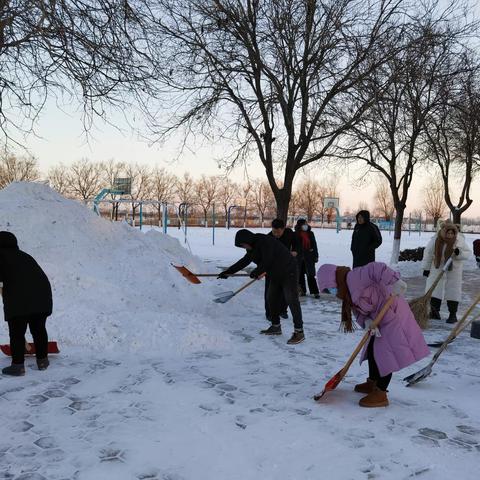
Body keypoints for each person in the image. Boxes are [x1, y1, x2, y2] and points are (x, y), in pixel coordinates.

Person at [317, 262, 429, 408]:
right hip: (378, 319)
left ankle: (381, 393)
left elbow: (377, 268)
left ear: (334, 279)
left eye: (330, 287)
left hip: (393, 313)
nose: (332, 291)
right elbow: (358, 313)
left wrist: (395, 281)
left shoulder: (355, 277)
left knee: (385, 354)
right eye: (328, 290)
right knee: (371, 349)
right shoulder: (347, 293)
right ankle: (372, 383)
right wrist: (367, 322)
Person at [218, 229, 304, 344]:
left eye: (243, 245)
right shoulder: (252, 247)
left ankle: (299, 332)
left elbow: (267, 261)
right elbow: (244, 261)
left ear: (247, 239)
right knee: (271, 298)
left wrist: (257, 271)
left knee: (291, 299)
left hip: (289, 271)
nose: (244, 247)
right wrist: (228, 272)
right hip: (275, 273)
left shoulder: (264, 241)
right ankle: (276, 326)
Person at [0, 231, 52, 376]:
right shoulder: (25, 256)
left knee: (17, 332)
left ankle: (18, 366)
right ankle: (43, 361)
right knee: (39, 328)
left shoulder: (1, 256)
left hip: (19, 299)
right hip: (42, 296)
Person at [421, 220, 470, 323]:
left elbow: (467, 253)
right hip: (437, 268)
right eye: (448, 232)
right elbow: (428, 253)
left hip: (454, 271)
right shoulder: (436, 239)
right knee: (435, 290)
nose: (450, 235)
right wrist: (426, 268)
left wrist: (459, 253)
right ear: (443, 231)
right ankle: (435, 312)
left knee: (453, 292)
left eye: (452, 233)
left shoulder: (459, 240)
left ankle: (452, 314)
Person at [265, 219, 298, 321]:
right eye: (274, 231)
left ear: (283, 229)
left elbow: (298, 245)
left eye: (278, 232)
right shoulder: (268, 238)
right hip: (272, 269)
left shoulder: (290, 234)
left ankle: (283, 310)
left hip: (287, 268)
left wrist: (295, 251)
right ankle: (269, 313)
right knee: (269, 293)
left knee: (286, 291)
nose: (276, 234)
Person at [294, 218, 320, 298]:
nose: (305, 225)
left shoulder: (310, 233)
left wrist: (315, 255)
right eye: (304, 224)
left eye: (306, 224)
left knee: (311, 275)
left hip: (309, 257)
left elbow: (314, 245)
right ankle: (302, 291)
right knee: (300, 275)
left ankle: (315, 292)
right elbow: (294, 246)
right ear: (299, 225)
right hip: (299, 257)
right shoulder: (295, 234)